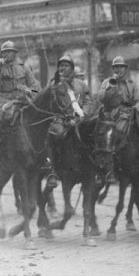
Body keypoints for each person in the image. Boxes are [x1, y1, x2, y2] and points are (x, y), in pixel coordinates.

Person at [0, 42, 40, 161]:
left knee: (38, 117)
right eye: (4, 52)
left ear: (14, 53)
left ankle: (42, 152)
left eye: (9, 51)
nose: (6, 54)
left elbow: (35, 86)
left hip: (22, 100)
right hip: (3, 99)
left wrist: (29, 92)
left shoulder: (24, 67)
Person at [45, 54, 92, 188]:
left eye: (66, 66)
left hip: (79, 119)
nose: (62, 68)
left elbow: (89, 102)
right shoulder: (54, 83)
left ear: (72, 68)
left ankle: (96, 169)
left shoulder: (81, 85)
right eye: (61, 66)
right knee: (57, 134)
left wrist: (83, 115)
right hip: (60, 119)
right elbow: (49, 101)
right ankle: (53, 170)